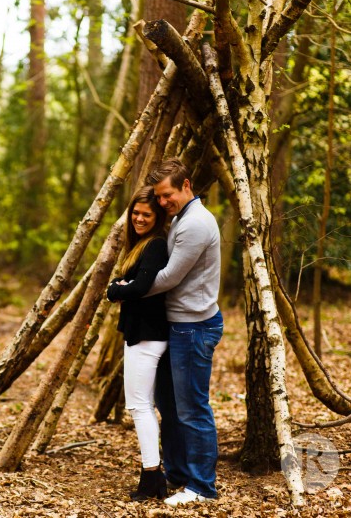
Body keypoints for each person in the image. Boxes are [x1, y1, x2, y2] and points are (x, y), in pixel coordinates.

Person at [144, 158, 223, 507]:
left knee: (192, 408)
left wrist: (125, 289)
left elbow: (169, 278)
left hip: (194, 327)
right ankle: (177, 472)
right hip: (176, 325)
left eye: (168, 194)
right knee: (168, 405)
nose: (162, 202)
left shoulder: (196, 224)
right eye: (158, 197)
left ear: (187, 185)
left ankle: (202, 487)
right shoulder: (180, 219)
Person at [107, 186, 169, 501]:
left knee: (140, 406)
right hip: (141, 332)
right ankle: (153, 475)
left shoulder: (155, 245)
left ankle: (151, 477)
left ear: (157, 217)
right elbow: (136, 284)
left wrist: (117, 289)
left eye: (146, 214)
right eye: (135, 213)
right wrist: (122, 286)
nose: (139, 218)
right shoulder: (142, 246)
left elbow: (142, 285)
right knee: (141, 405)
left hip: (148, 335)